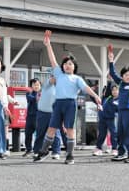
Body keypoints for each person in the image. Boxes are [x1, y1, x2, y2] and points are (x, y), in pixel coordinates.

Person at [34, 30, 101, 164]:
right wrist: (48, 45)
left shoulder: (77, 78)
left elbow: (86, 88)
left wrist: (96, 96)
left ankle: (70, 155)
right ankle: (44, 151)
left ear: (74, 66)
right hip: (58, 104)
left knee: (70, 129)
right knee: (51, 128)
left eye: (70, 63)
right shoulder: (58, 74)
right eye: (65, 63)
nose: (67, 65)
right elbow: (52, 60)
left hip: (70, 104)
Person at [33, 75, 61, 159]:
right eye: (52, 76)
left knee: (55, 134)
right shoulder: (45, 85)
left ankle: (56, 151)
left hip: (54, 113)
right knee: (40, 132)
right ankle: (38, 150)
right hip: (42, 113)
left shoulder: (60, 88)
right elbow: (37, 98)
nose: (54, 78)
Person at [93, 84, 119, 156]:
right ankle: (98, 149)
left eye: (116, 90)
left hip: (112, 119)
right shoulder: (107, 97)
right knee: (101, 134)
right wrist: (109, 81)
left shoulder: (120, 99)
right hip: (103, 118)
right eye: (113, 90)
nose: (114, 91)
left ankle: (114, 149)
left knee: (114, 134)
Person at [22, 78, 41, 157]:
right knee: (28, 133)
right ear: (31, 86)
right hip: (30, 116)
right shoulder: (29, 93)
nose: (36, 86)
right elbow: (31, 99)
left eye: (38, 85)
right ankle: (29, 149)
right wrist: (37, 97)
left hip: (39, 115)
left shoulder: (42, 93)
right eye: (34, 85)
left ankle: (38, 150)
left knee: (39, 134)